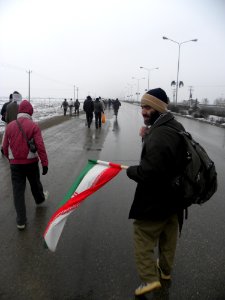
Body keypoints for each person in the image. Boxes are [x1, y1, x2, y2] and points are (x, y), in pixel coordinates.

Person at [126, 88, 186, 296]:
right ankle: (165, 272)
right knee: (168, 237)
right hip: (174, 198)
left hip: (155, 199)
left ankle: (149, 280)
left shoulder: (160, 135)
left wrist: (131, 171)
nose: (143, 111)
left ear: (159, 107)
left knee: (142, 234)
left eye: (148, 106)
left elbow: (150, 172)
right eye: (142, 106)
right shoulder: (174, 126)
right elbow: (166, 159)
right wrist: (146, 137)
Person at [2, 100, 49, 231]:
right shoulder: (33, 126)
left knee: (18, 192)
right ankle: (39, 199)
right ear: (30, 111)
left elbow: (4, 147)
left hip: (15, 165)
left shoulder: (10, 126)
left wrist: (10, 159)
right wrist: (44, 163)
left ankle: (21, 221)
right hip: (31, 163)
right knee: (35, 183)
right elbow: (40, 146)